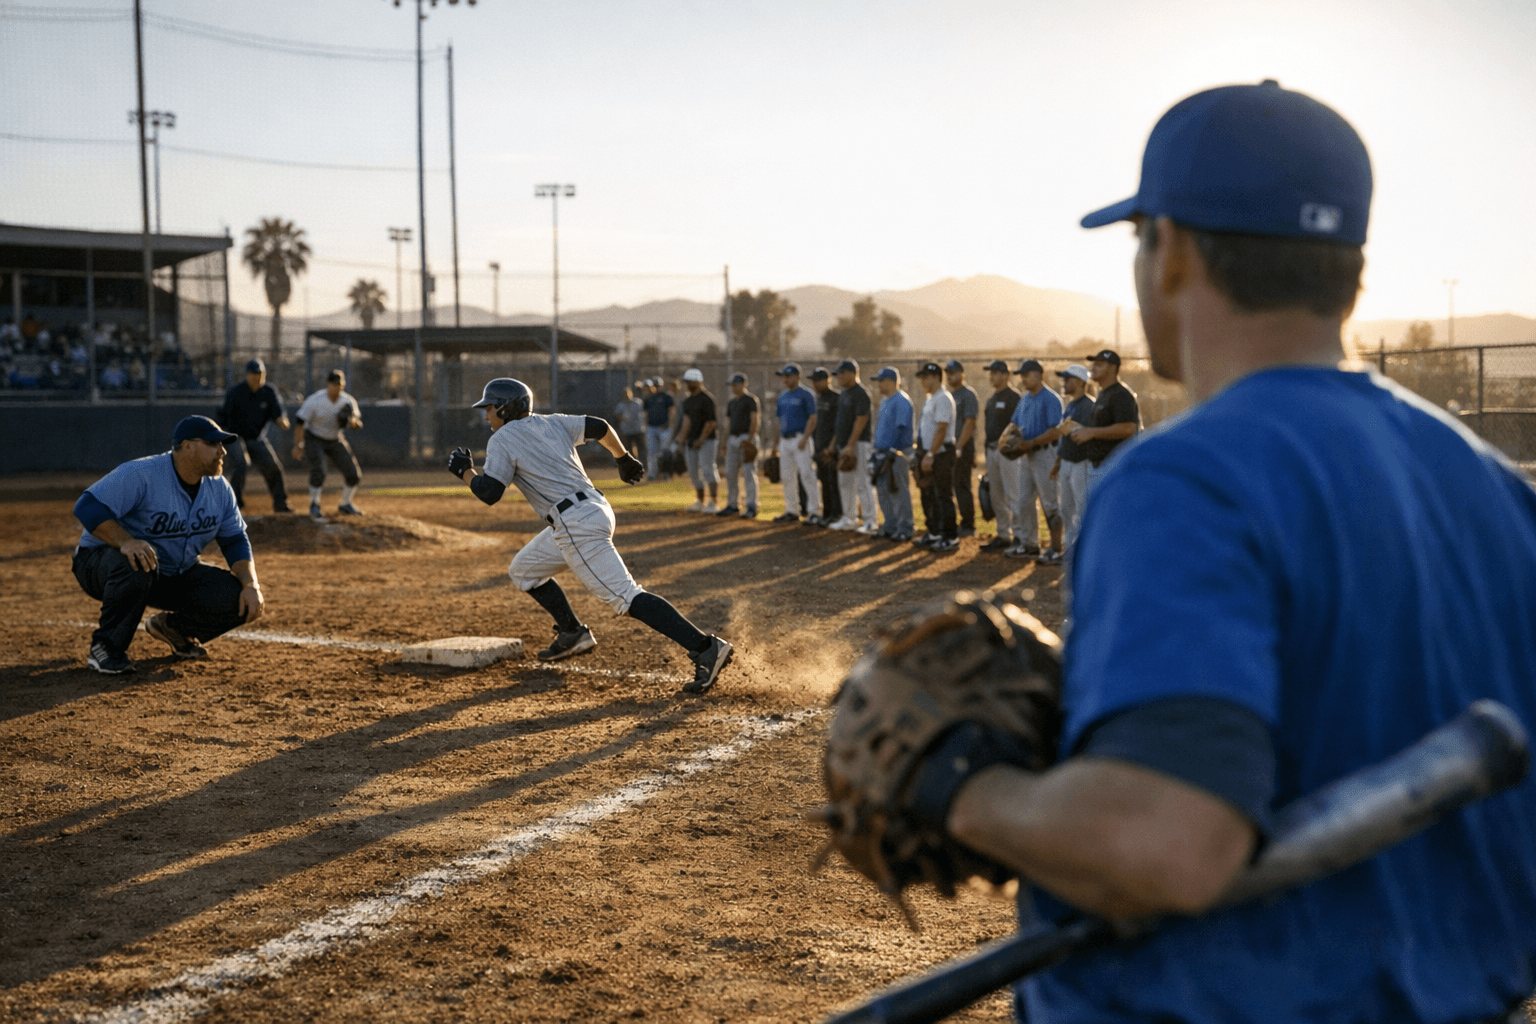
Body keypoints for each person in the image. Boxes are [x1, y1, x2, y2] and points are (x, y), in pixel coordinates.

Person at [941, 80, 1536, 1021]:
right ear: (1352, 268)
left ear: (1170, 251)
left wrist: (968, 797)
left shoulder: (1189, 475)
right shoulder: (1493, 484)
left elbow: (1167, 844)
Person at [448, 378, 733, 695]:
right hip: (595, 509)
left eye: (489, 408)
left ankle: (705, 647)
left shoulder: (502, 438)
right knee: (524, 570)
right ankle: (572, 632)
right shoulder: (553, 422)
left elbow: (490, 493)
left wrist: (465, 471)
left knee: (627, 597)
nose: (486, 415)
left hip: (575, 523)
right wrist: (623, 458)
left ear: (503, 407)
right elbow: (599, 427)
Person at [71, 415, 265, 675]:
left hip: (171, 572)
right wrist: (126, 542)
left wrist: (250, 584)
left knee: (235, 596)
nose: (222, 451)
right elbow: (87, 506)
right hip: (100, 565)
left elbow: (234, 540)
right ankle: (106, 647)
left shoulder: (219, 488)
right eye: (212, 444)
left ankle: (175, 629)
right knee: (138, 563)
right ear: (188, 446)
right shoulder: (142, 474)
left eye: (222, 444)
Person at [998, 358, 1065, 562]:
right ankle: (1029, 544)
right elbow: (1015, 425)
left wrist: (1032, 442)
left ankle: (1056, 548)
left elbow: (1056, 431)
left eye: (1026, 375)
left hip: (1046, 454)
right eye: (1022, 376)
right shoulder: (1025, 399)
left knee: (1050, 503)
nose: (1023, 379)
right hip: (1026, 455)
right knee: (1023, 501)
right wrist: (1007, 440)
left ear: (1039, 374)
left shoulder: (1051, 399)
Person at [1057, 348, 1140, 492]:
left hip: (1113, 467)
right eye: (1093, 364)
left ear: (1113, 368)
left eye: (1099, 364)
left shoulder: (1121, 394)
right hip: (1098, 465)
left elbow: (1128, 428)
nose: (1093, 368)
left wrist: (1091, 432)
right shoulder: (1103, 393)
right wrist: (1081, 431)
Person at [217, 358, 292, 514]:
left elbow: (278, 414)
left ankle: (280, 504)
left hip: (257, 438)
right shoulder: (236, 392)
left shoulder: (269, 391)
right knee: (242, 463)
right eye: (253, 373)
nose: (257, 377)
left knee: (274, 467)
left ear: (264, 374)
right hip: (234, 436)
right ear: (246, 375)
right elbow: (223, 419)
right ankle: (234, 505)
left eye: (260, 373)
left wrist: (282, 420)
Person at [292, 370, 365, 520]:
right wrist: (299, 444)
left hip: (335, 439)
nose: (336, 387)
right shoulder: (316, 400)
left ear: (343, 384)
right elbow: (299, 422)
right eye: (333, 384)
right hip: (314, 437)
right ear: (328, 384)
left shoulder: (347, 401)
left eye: (339, 384)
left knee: (353, 474)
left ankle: (345, 503)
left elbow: (356, 423)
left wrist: (353, 423)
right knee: (319, 470)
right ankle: (314, 504)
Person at [912, 362, 958, 552]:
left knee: (943, 495)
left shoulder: (944, 398)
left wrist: (931, 454)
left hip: (941, 453)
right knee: (928, 494)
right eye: (921, 377)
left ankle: (950, 537)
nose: (923, 380)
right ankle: (934, 533)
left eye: (926, 377)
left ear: (937, 378)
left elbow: (941, 428)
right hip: (928, 453)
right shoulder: (931, 399)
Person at [829, 359, 879, 534]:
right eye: (837, 374)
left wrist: (850, 445)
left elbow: (861, 419)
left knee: (863, 483)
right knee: (845, 482)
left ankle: (870, 522)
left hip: (859, 443)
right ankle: (849, 518)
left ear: (852, 373)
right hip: (845, 444)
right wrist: (834, 444)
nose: (839, 377)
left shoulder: (861, 393)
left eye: (842, 373)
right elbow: (840, 423)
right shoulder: (844, 394)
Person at [978, 359, 1022, 553]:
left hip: (1009, 452)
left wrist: (1013, 447)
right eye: (991, 372)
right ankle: (1003, 535)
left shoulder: (1014, 397)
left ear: (1006, 375)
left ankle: (1021, 535)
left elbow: (1019, 427)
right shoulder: (992, 399)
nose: (992, 376)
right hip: (992, 450)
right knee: (996, 496)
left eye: (996, 372)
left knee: (1013, 494)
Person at [1051, 364, 1095, 557]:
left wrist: (1074, 429)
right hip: (1067, 462)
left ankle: (1086, 551)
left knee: (1083, 508)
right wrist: (1058, 462)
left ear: (1079, 382)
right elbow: (1064, 436)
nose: (1064, 382)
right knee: (1066, 510)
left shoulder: (1089, 405)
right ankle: (1070, 551)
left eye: (1067, 379)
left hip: (1081, 462)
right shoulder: (1070, 405)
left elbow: (1088, 435)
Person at [869, 366, 915, 541]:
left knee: (898, 490)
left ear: (890, 382)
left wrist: (891, 450)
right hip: (882, 452)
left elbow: (900, 427)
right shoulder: (886, 401)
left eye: (881, 381)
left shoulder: (901, 400)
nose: (878, 385)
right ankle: (890, 526)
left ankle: (906, 528)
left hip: (897, 452)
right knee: (883, 491)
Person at [771, 364, 819, 524]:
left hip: (800, 439)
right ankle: (792, 510)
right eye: (783, 376)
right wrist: (775, 444)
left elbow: (813, 418)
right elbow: (778, 421)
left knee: (807, 475)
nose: (784, 379)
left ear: (797, 377)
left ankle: (814, 512)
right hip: (785, 440)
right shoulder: (782, 396)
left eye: (788, 376)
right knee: (786, 477)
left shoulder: (806, 394)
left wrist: (805, 438)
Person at [943, 359, 981, 538]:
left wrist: (959, 446)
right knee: (950, 484)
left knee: (961, 484)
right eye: (948, 373)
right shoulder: (950, 395)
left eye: (954, 372)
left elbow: (970, 421)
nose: (950, 376)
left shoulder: (968, 394)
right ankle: (956, 521)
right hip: (950, 446)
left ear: (962, 373)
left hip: (962, 447)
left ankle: (968, 523)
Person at [675, 368, 719, 513]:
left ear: (698, 382)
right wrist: (680, 439)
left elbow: (711, 422)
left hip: (707, 441)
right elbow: (686, 422)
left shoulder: (707, 399)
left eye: (689, 381)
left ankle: (713, 502)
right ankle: (700, 501)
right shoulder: (687, 401)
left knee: (708, 470)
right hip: (691, 441)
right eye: (687, 382)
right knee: (693, 472)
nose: (687, 384)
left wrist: (701, 439)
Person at [719, 372, 760, 519]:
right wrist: (724, 443)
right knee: (730, 473)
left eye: (735, 385)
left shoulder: (750, 400)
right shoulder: (732, 402)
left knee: (749, 473)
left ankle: (751, 506)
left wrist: (750, 439)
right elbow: (727, 424)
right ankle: (732, 504)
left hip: (745, 438)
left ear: (743, 384)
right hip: (732, 439)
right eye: (732, 385)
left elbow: (754, 420)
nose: (733, 388)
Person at [809, 367, 844, 528]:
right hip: (819, 447)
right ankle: (827, 514)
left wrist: (831, 446)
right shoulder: (818, 398)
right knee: (824, 481)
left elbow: (839, 426)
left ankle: (837, 514)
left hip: (831, 449)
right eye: (813, 381)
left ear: (827, 380)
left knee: (833, 481)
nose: (814, 384)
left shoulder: (836, 398)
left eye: (817, 380)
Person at [641, 378, 676, 481]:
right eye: (654, 385)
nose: (656, 387)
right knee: (652, 452)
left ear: (661, 386)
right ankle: (652, 474)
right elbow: (645, 413)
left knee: (664, 452)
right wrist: (645, 426)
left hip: (664, 428)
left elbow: (672, 410)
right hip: (651, 428)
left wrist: (669, 423)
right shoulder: (648, 398)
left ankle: (665, 473)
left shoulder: (666, 397)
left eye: (658, 385)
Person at [613, 385, 646, 462]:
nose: (627, 395)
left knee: (641, 448)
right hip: (627, 430)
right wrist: (623, 418)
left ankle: (644, 464)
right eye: (625, 393)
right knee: (629, 449)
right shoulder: (620, 405)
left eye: (628, 393)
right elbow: (617, 416)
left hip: (638, 429)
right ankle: (634, 464)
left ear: (631, 393)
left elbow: (645, 413)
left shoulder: (638, 403)